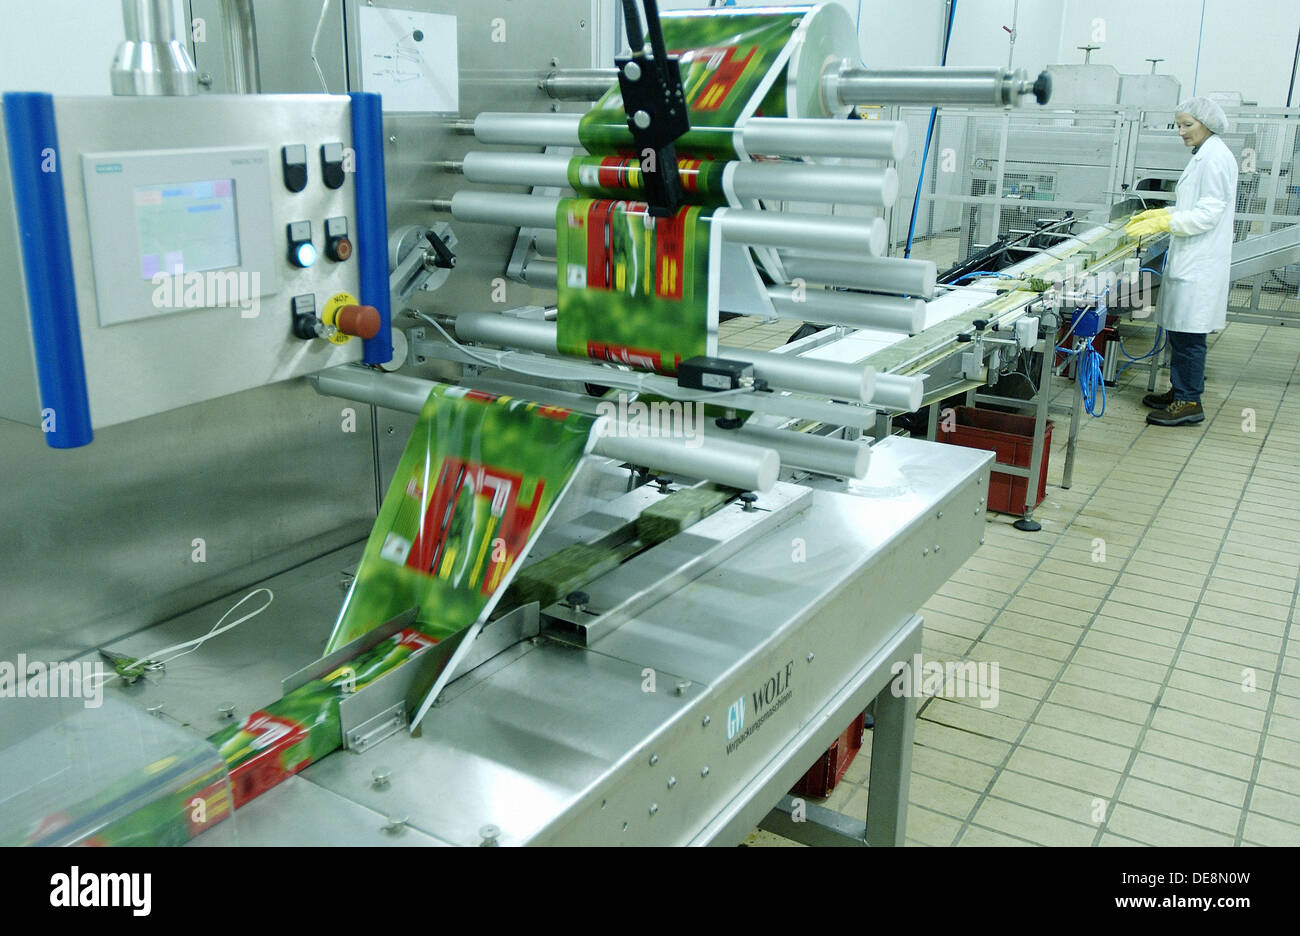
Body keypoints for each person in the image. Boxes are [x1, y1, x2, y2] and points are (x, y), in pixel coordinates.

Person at [1125, 96, 1238, 427]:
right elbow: (1194, 205)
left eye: (1187, 125)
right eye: (1178, 125)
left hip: (1200, 261)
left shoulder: (1216, 158)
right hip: (1190, 257)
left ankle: (1190, 401)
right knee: (1180, 332)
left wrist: (1165, 223)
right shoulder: (1203, 155)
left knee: (1189, 337)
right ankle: (1180, 391)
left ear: (1207, 123)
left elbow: (1207, 214)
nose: (1181, 132)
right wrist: (1164, 212)